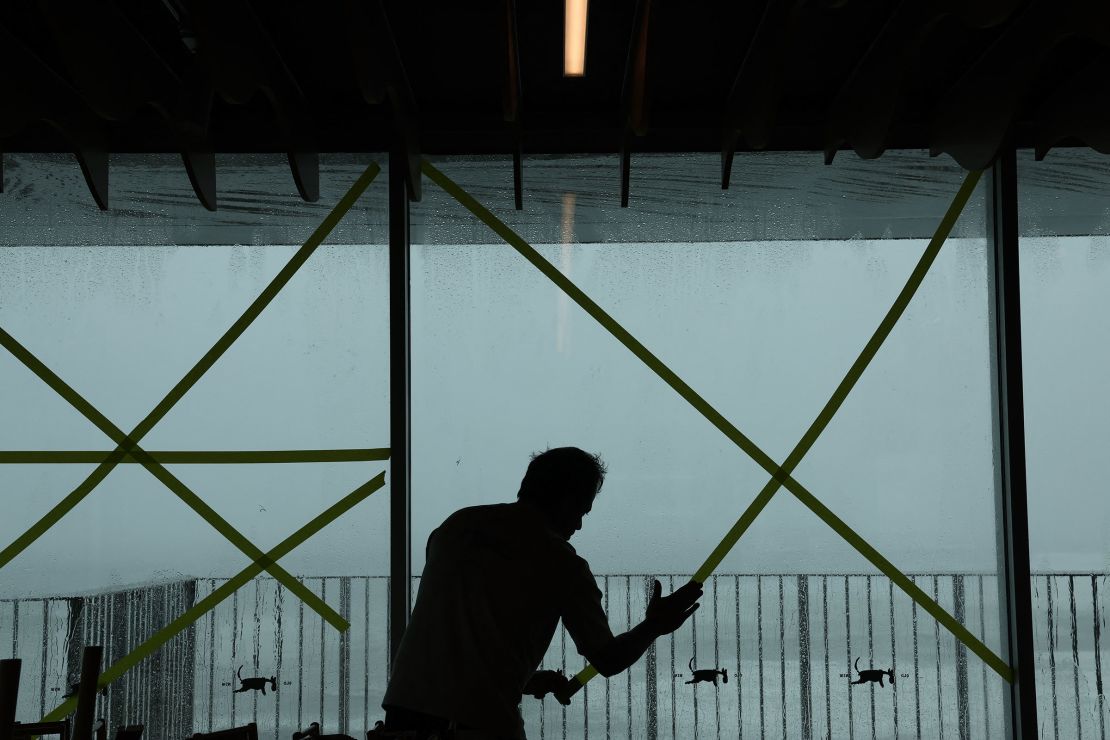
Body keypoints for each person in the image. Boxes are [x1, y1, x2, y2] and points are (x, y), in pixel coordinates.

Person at [381, 447, 703, 739]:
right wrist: (655, 625)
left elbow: (464, 636)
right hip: (478, 722)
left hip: (403, 711)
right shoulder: (562, 563)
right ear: (567, 499)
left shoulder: (455, 528)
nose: (578, 526)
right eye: (581, 511)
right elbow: (607, 659)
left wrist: (528, 680)